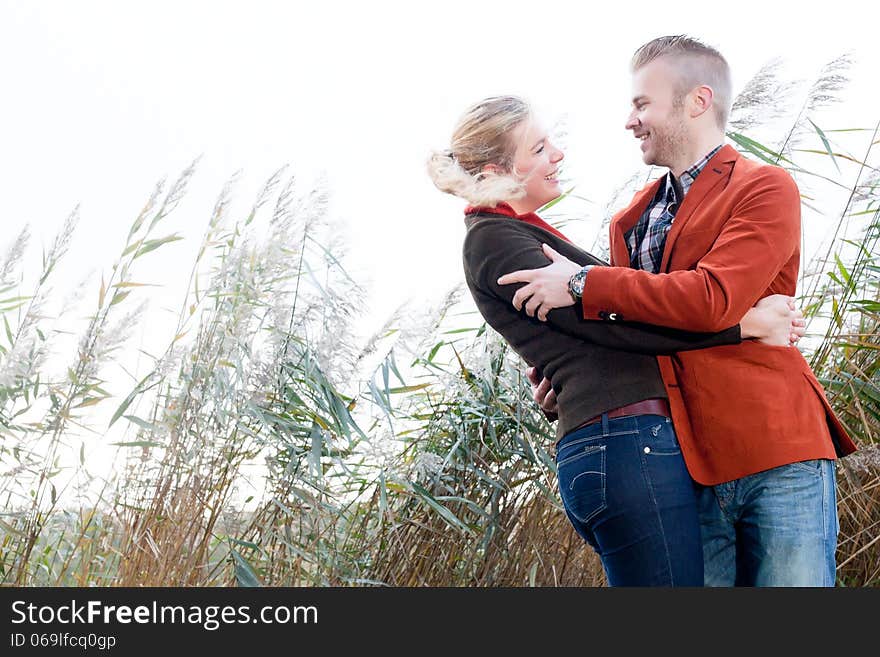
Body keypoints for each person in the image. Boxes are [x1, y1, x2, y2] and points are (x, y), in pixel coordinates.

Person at [497, 36, 858, 587]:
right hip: (682, 462)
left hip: (776, 450)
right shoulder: (629, 219)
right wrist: (573, 380)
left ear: (697, 101)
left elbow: (713, 298)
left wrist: (582, 282)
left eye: (642, 104)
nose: (630, 121)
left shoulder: (765, 187)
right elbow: (634, 329)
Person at [426, 95, 803, 586]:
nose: (557, 154)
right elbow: (616, 324)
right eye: (539, 149)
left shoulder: (513, 234)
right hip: (623, 444)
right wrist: (745, 325)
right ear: (499, 169)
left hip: (620, 444)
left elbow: (597, 323)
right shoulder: (494, 240)